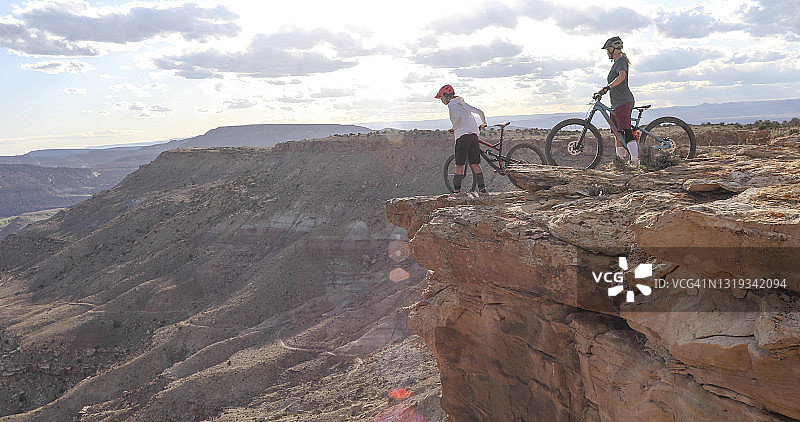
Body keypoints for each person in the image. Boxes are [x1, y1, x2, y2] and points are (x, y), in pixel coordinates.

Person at [435, 84, 488, 193]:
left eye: (441, 97)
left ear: (445, 95)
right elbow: (480, 112)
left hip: (462, 136)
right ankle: (482, 188)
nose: (441, 100)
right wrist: (484, 123)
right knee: (475, 164)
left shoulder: (451, 104)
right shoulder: (463, 103)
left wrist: (453, 128)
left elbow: (458, 118)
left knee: (459, 165)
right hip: (473, 135)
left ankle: (457, 190)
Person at [595, 36, 638, 166]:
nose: (607, 53)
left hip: (624, 101)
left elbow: (622, 76)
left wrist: (607, 87)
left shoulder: (620, 61)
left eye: (608, 50)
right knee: (617, 133)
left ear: (613, 50)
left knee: (625, 130)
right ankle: (620, 163)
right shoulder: (616, 63)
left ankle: (635, 161)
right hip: (616, 104)